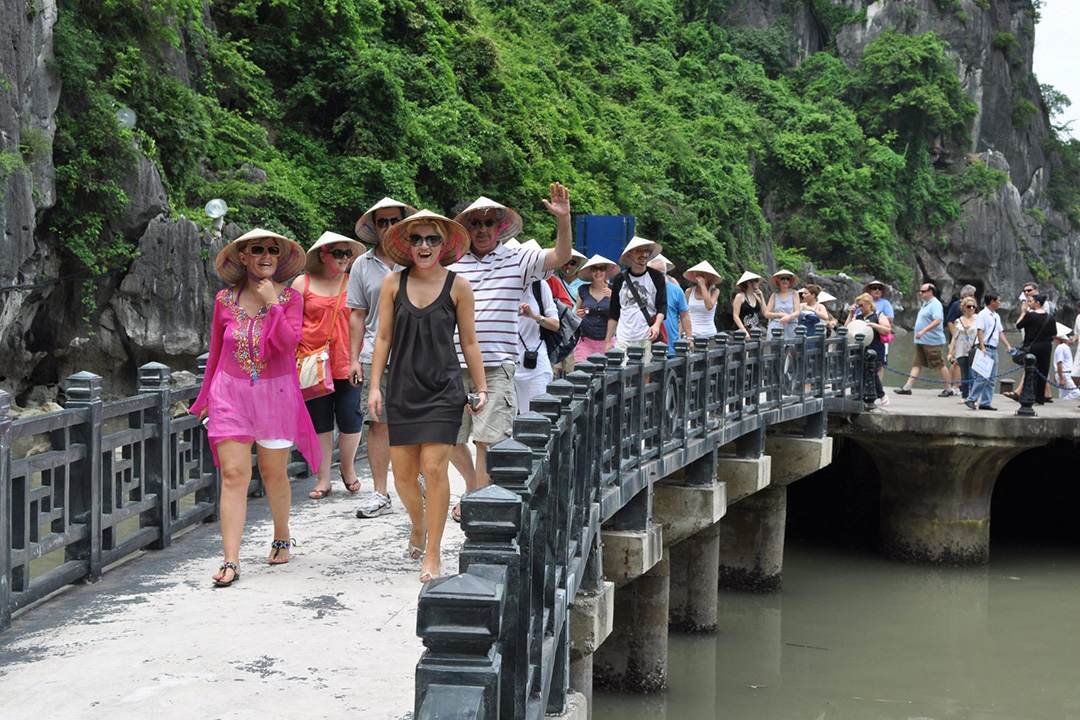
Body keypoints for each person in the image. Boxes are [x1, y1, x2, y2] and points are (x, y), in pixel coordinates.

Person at [191, 228, 320, 587]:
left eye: (272, 250)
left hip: (275, 394)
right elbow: (216, 352)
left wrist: (273, 304)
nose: (266, 255)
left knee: (273, 472)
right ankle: (231, 560)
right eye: (258, 249)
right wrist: (204, 399)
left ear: (280, 258)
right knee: (234, 475)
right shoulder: (224, 299)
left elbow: (289, 344)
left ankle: (281, 534)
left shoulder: (290, 298)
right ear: (243, 257)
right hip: (229, 395)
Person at [367, 210, 487, 582]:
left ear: (443, 245)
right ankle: (418, 523)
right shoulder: (392, 283)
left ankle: (433, 551)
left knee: (434, 468)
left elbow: (469, 341)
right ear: (407, 245)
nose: (424, 245)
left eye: (432, 239)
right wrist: (374, 386)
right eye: (417, 239)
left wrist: (481, 387)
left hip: (443, 389)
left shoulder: (458, 286)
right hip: (403, 389)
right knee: (403, 478)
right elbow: (383, 338)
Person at [447, 185, 573, 513]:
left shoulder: (518, 259)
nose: (483, 229)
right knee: (450, 438)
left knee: (487, 437)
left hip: (496, 364)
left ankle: (477, 502)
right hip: (450, 364)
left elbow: (561, 257)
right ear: (466, 227)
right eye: (476, 223)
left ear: (500, 226)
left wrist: (563, 219)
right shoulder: (451, 262)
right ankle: (473, 487)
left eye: (489, 222)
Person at [347, 197, 417, 519]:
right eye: (382, 222)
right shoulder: (362, 264)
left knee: (418, 421)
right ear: (374, 227)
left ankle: (417, 480)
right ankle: (380, 492)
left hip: (417, 353)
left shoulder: (418, 256)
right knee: (378, 424)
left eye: (394, 221)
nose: (389, 227)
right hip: (376, 353)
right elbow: (357, 314)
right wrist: (353, 359)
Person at [293, 231, 365, 500]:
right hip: (312, 363)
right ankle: (323, 478)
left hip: (349, 361)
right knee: (320, 421)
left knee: (350, 416)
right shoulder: (303, 283)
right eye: (338, 253)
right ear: (323, 255)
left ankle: (347, 468)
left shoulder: (354, 282)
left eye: (348, 253)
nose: (345, 258)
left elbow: (365, 319)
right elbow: (290, 323)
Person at [607, 236, 667, 362]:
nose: (643, 255)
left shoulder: (656, 277)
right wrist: (607, 340)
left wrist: (656, 325)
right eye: (639, 251)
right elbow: (614, 312)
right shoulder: (619, 279)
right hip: (623, 336)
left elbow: (662, 306)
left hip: (647, 335)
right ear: (630, 254)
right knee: (622, 370)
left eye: (646, 251)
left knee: (645, 371)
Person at [894, 283, 954, 396]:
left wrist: (923, 331)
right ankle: (907, 387)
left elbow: (938, 320)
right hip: (922, 341)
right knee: (917, 363)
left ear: (930, 292)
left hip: (932, 341)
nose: (920, 293)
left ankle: (949, 389)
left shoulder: (935, 304)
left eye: (922, 291)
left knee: (939, 364)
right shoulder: (926, 304)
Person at [515, 272, 559, 415]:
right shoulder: (502, 286)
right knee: (506, 423)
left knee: (536, 417)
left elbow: (555, 324)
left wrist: (534, 316)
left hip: (536, 366)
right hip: (505, 366)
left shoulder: (539, 286)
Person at [966, 293, 1013, 411]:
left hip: (994, 348)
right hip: (985, 348)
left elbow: (1000, 332)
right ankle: (971, 399)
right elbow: (980, 331)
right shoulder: (983, 314)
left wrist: (1007, 345)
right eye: (998, 300)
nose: (999, 302)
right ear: (992, 301)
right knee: (982, 376)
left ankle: (985, 402)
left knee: (992, 378)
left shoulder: (996, 316)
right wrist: (982, 347)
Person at [845, 293, 891, 407]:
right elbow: (846, 329)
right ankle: (860, 395)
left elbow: (887, 330)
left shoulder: (878, 315)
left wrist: (874, 325)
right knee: (859, 371)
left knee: (872, 372)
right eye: (858, 305)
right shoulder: (857, 317)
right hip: (859, 348)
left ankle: (881, 395)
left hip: (874, 347)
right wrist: (851, 315)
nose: (860, 308)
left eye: (862, 305)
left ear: (869, 304)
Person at [1015, 292, 1055, 404]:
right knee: (1044, 370)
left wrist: (1023, 312)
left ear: (1037, 303)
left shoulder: (1030, 316)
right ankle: (1040, 398)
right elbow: (1054, 334)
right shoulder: (1050, 317)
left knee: (1031, 370)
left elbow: (1018, 325)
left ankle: (1028, 395)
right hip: (1046, 346)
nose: (1028, 303)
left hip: (1033, 346)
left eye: (1030, 301)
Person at [574, 254, 616, 361]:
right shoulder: (582, 289)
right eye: (594, 269)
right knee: (582, 370)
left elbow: (621, 314)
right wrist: (578, 314)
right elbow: (577, 313)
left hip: (607, 340)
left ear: (606, 271)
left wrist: (613, 299)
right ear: (590, 272)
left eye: (601, 268)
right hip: (585, 340)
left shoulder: (613, 290)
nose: (598, 272)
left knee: (607, 370)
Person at [649, 255, 691, 356]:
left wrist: (689, 338)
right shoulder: (643, 290)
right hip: (648, 345)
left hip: (671, 346)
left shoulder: (676, 290)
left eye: (662, 274)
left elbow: (685, 315)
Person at [946, 297, 979, 403]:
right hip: (961, 350)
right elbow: (954, 338)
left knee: (973, 374)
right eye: (969, 306)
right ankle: (965, 396)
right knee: (964, 374)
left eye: (973, 306)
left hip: (974, 350)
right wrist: (950, 353)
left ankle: (973, 397)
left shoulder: (978, 319)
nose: (971, 308)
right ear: (964, 308)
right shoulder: (958, 321)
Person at [683, 261, 721, 340]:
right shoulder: (689, 291)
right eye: (698, 275)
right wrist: (679, 334)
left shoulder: (714, 291)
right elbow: (683, 313)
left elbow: (709, 306)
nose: (700, 278)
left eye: (702, 276)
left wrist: (703, 286)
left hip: (709, 333)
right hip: (691, 333)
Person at [764, 270, 799, 338]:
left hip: (791, 326)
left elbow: (797, 312)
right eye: (782, 278)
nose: (785, 281)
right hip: (776, 326)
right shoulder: (774, 295)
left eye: (787, 279)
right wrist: (781, 315)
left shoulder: (794, 293)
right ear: (778, 281)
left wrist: (789, 317)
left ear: (790, 281)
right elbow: (767, 314)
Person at [1052, 326, 1080, 401]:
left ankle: (1061, 404)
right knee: (1076, 393)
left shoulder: (1065, 347)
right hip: (1065, 374)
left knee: (1063, 395)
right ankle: (1061, 403)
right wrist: (1061, 378)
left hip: (1064, 374)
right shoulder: (1062, 347)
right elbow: (1059, 363)